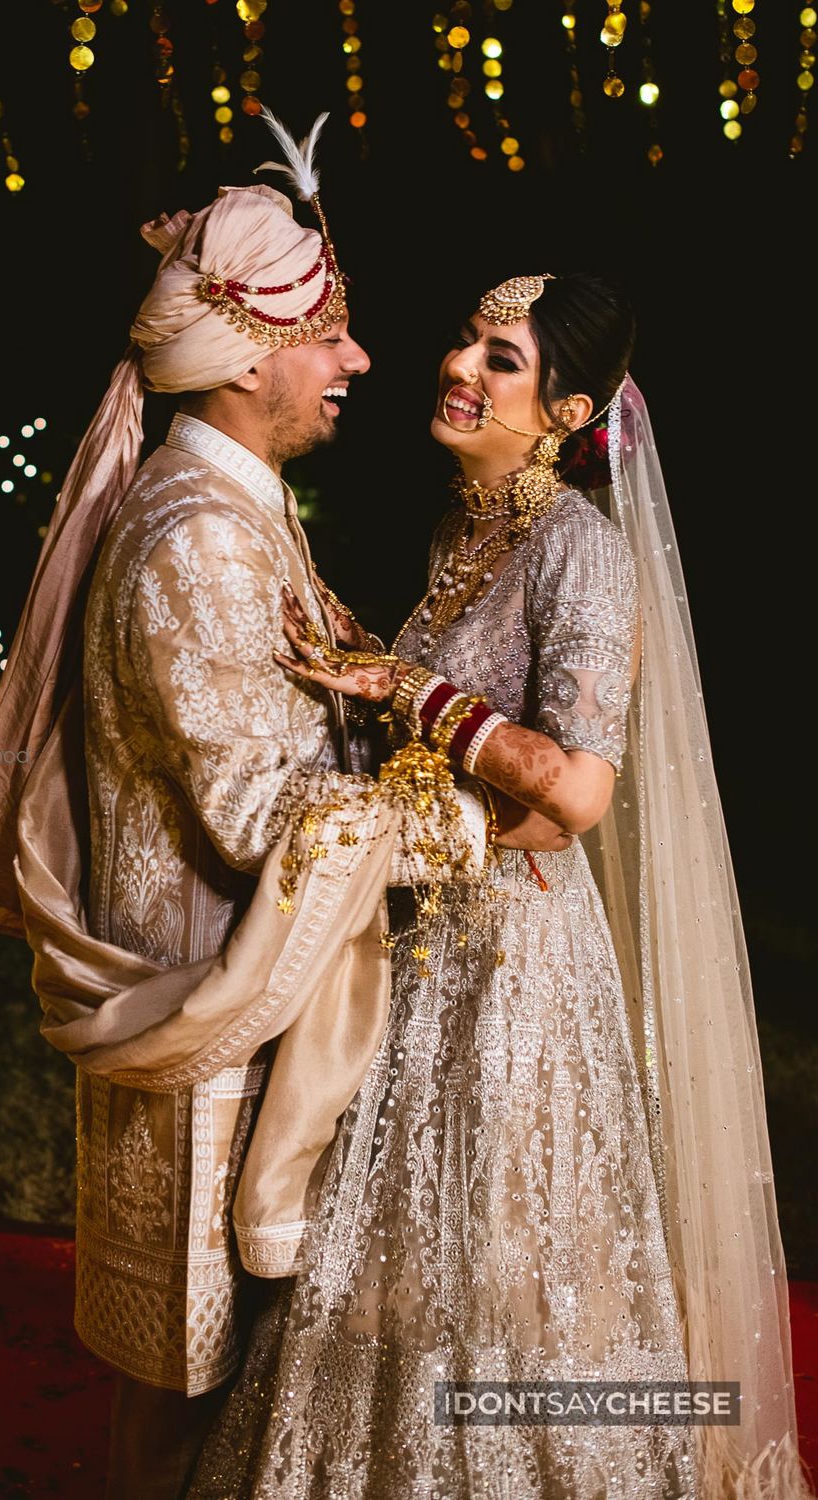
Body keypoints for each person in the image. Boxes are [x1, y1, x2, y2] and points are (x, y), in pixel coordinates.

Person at [0, 117, 565, 1500]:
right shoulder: (196, 535)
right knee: (186, 1399)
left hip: (261, 1010)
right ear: (245, 348)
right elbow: (258, 811)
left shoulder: (243, 505)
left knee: (237, 1405)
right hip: (210, 1032)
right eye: (331, 333)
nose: (359, 361)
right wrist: (489, 827)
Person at [183, 274, 816, 1498]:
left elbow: (577, 791)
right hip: (425, 945)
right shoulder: (468, 531)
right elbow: (439, 736)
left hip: (518, 969)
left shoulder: (577, 545)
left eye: (504, 358)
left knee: (500, 1263)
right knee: (400, 1258)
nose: (462, 364)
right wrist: (351, 664)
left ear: (569, 409)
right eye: (468, 338)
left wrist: (404, 689)